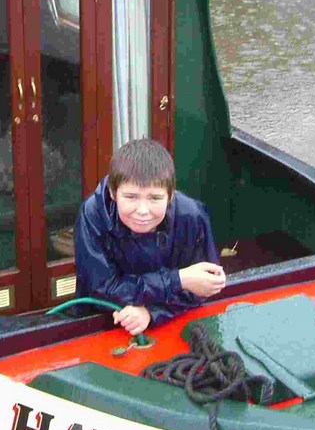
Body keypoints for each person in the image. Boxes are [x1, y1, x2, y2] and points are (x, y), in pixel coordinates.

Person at [74, 138, 225, 336]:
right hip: (100, 323)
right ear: (113, 192)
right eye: (131, 197)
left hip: (170, 320)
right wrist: (178, 280)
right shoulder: (92, 214)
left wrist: (152, 312)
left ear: (170, 195)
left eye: (154, 198)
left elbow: (203, 286)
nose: (143, 211)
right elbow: (101, 287)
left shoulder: (192, 216)